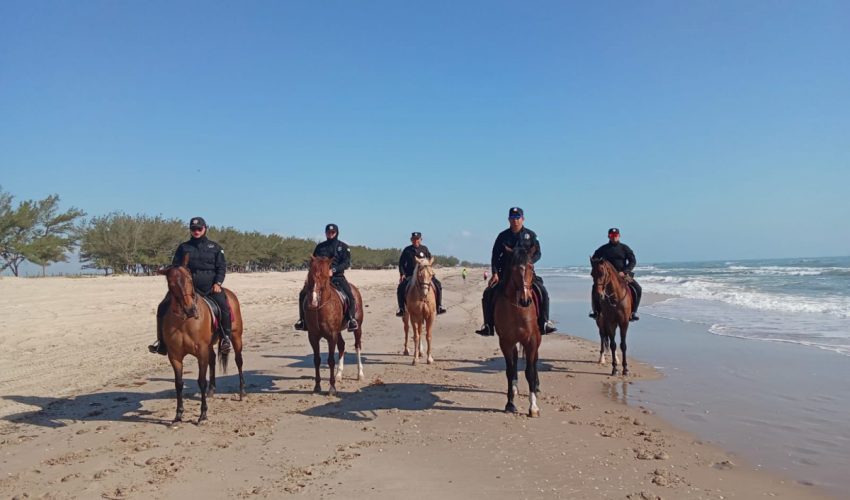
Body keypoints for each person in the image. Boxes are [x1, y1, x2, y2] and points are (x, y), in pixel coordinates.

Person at [149, 216, 232, 355]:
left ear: (205, 229)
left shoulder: (215, 247)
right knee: (162, 306)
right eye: (193, 229)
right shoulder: (183, 247)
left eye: (199, 228)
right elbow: (176, 267)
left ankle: (225, 338)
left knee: (224, 305)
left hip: (210, 286)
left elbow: (221, 267)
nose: (196, 231)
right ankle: (161, 342)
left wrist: (218, 283)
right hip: (187, 288)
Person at [475, 207, 557, 336]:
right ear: (509, 220)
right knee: (488, 293)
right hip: (505, 274)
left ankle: (544, 323)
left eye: (517, 218)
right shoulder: (502, 236)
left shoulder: (531, 235)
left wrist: (529, 262)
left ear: (523, 219)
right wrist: (495, 273)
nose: (515, 221)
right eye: (512, 218)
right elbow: (495, 256)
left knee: (543, 292)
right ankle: (488, 325)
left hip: (526, 274)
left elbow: (538, 253)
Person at [294, 223, 359, 332]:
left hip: (337, 277)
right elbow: (313, 262)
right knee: (303, 294)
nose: (330, 234)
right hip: (320, 279)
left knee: (350, 295)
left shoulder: (343, 247)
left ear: (336, 233)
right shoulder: (320, 247)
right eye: (328, 232)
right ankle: (302, 320)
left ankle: (351, 319)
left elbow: (346, 263)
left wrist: (333, 270)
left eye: (332, 232)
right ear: (325, 233)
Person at [589, 227, 641, 321]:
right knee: (595, 288)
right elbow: (594, 260)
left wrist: (625, 271)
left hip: (623, 275)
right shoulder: (603, 248)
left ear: (619, 236)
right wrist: (599, 269)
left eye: (615, 235)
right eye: (611, 235)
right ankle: (596, 311)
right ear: (608, 236)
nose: (614, 237)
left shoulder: (625, 248)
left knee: (638, 288)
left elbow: (632, 261)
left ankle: (633, 312)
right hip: (607, 277)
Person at [395, 232, 447, 317]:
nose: (416, 241)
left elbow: (430, 260)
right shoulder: (407, 250)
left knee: (438, 284)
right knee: (400, 287)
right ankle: (401, 309)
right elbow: (401, 263)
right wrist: (402, 274)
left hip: (425, 275)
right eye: (414, 239)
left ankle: (439, 306)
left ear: (421, 239)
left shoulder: (424, 249)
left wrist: (429, 269)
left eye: (417, 239)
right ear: (411, 240)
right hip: (410, 275)